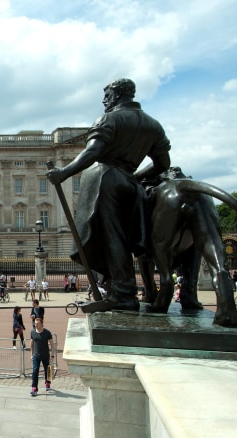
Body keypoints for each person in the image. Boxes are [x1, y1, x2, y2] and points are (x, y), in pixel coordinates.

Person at [47, 78, 171, 312]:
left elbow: (92, 151)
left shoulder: (108, 119)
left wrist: (64, 172)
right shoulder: (154, 125)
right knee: (122, 239)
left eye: (107, 95)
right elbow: (163, 163)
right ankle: (118, 287)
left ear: (117, 95)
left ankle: (123, 294)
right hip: (129, 184)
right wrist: (133, 177)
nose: (104, 100)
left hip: (104, 179)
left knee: (110, 236)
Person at [30, 317, 54, 397]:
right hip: (36, 355)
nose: (35, 325)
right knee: (35, 371)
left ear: (41, 324)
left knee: (47, 370)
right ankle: (34, 387)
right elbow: (32, 343)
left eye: (37, 324)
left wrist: (52, 355)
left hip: (45, 355)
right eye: (35, 323)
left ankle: (47, 382)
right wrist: (31, 354)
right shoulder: (33, 332)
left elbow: (52, 344)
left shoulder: (47, 332)